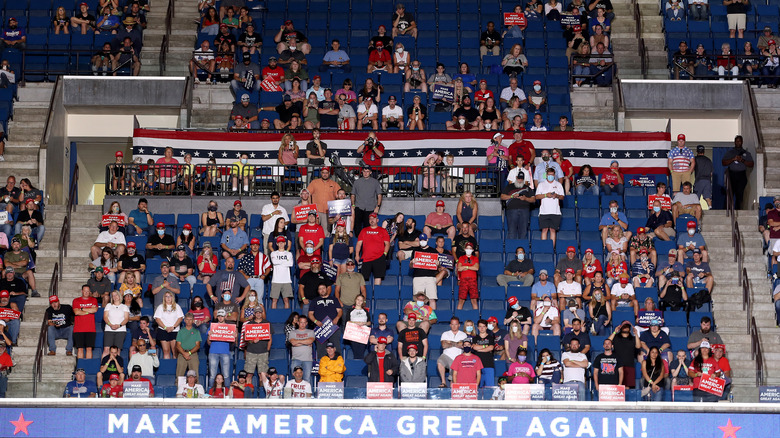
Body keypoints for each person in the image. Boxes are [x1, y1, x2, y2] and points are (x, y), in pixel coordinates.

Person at [356, 213, 390, 286]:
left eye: (373, 218)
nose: (372, 220)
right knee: (362, 279)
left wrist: (385, 254)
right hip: (365, 258)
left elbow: (387, 244)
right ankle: (363, 297)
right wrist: (357, 255)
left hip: (379, 258)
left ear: (377, 220)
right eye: (370, 219)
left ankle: (377, 294)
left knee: (378, 278)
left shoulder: (383, 231)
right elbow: (359, 244)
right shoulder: (364, 230)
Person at [721, 135, 754, 210]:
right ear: (734, 142)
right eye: (736, 141)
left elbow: (751, 164)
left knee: (740, 194)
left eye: (739, 141)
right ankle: (728, 210)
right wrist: (733, 159)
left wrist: (742, 160)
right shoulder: (730, 152)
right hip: (732, 175)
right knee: (730, 194)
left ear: (742, 142)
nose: (738, 142)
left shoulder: (746, 153)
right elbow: (723, 162)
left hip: (741, 175)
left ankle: (738, 210)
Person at [535, 168, 564, 247]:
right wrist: (545, 195)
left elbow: (562, 197)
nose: (550, 176)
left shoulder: (558, 184)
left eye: (552, 175)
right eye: (549, 175)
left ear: (554, 175)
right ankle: (544, 247)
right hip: (544, 211)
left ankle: (552, 248)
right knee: (544, 230)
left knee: (552, 230)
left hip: (555, 211)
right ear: (546, 175)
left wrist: (556, 195)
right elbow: (537, 196)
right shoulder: (541, 184)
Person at [72, 285, 98, 359]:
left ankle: (88, 366)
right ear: (82, 291)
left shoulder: (93, 300)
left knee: (89, 348)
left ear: (89, 292)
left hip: (90, 328)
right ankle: (80, 367)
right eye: (85, 291)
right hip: (79, 329)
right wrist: (88, 311)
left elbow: (94, 310)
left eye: (87, 291)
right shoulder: (76, 300)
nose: (86, 292)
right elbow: (76, 312)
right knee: (80, 349)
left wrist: (82, 309)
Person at [287, 316, 315, 383]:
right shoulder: (293, 332)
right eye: (301, 322)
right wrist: (305, 342)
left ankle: (307, 393)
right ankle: (294, 393)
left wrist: (298, 341)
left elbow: (310, 341)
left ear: (306, 323)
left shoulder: (311, 332)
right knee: (295, 379)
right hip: (296, 359)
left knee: (307, 379)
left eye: (304, 322)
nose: (302, 324)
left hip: (307, 359)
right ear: (298, 323)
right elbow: (293, 343)